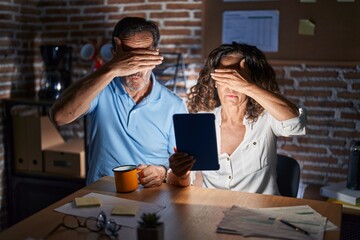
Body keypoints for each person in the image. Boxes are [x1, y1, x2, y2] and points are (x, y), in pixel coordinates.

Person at [50, 17, 187, 186]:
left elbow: (183, 170)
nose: (135, 67)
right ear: (115, 55)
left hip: (151, 199)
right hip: (101, 196)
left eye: (142, 57)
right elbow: (59, 117)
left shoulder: (174, 105)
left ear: (155, 56)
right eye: (129, 58)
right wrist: (112, 68)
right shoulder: (99, 89)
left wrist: (163, 172)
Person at [167, 42, 306, 195]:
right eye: (225, 77)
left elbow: (294, 123)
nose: (232, 87)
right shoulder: (201, 123)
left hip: (260, 213)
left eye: (238, 78)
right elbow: (183, 183)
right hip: (214, 211)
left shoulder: (267, 117)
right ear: (214, 82)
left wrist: (247, 86)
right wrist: (181, 173)